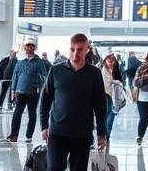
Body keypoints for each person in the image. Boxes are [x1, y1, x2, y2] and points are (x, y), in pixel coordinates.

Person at [40, 33, 108, 171]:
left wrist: (101, 134)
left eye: (80, 49)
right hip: (57, 132)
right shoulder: (56, 71)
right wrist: (44, 125)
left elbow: (100, 105)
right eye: (72, 49)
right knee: (54, 167)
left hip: (81, 133)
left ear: (87, 50)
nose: (75, 54)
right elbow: (45, 99)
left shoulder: (94, 74)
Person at [7, 41, 48, 144]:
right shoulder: (20, 61)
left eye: (32, 47)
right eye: (28, 47)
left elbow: (44, 76)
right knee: (17, 113)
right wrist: (13, 89)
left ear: (34, 48)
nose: (29, 49)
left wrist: (43, 89)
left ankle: (29, 135)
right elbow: (15, 75)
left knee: (32, 114)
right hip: (20, 92)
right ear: (25, 48)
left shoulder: (38, 62)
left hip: (33, 92)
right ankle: (14, 135)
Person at [101, 53, 125, 141]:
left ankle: (107, 133)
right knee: (108, 114)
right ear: (105, 61)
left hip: (114, 96)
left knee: (111, 114)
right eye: (108, 60)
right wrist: (116, 82)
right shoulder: (103, 70)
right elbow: (106, 82)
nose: (110, 62)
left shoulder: (114, 70)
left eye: (112, 61)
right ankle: (106, 133)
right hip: (106, 95)